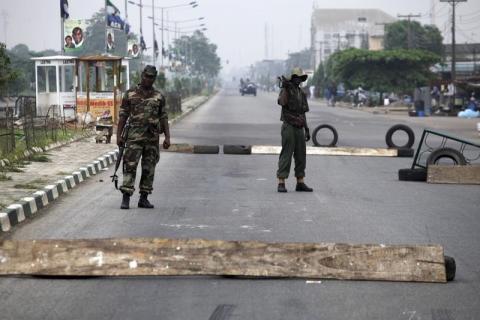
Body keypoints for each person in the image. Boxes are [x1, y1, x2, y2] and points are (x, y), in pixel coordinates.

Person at [117, 65, 171, 209]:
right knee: (130, 166)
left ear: (154, 78)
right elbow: (123, 115)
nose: (149, 79)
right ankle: (126, 198)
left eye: (152, 77)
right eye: (147, 76)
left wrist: (167, 137)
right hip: (133, 138)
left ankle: (144, 198)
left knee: (149, 168)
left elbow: (164, 117)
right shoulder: (130, 94)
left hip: (152, 139)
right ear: (142, 76)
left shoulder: (159, 96)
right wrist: (118, 136)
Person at [276, 67, 313, 193]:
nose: (297, 80)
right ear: (292, 78)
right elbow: (281, 102)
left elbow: (303, 113)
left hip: (299, 127)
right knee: (286, 153)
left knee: (301, 155)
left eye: (299, 78)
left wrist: (307, 129)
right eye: (295, 78)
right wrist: (286, 88)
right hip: (289, 126)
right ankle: (281, 182)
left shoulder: (301, 93)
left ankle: (300, 182)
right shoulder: (286, 90)